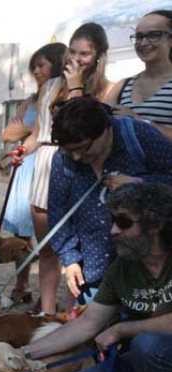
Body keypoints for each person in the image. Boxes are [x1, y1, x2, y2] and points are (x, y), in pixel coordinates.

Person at [23, 182, 172, 372]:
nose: (113, 230)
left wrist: (122, 329)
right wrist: (22, 354)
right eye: (112, 221)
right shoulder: (122, 268)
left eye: (124, 222)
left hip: (157, 354)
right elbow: (86, 324)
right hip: (150, 365)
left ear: (156, 226)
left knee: (147, 344)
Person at [17, 22, 112, 315]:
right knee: (47, 250)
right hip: (46, 166)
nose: (76, 58)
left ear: (97, 56)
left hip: (80, 169)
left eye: (84, 54)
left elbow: (82, 125)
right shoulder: (47, 86)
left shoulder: (107, 89)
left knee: (79, 255)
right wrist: (23, 150)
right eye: (72, 51)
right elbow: (37, 132)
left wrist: (75, 87)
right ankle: (46, 315)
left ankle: (75, 316)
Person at [48, 96, 172, 307]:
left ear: (106, 129)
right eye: (70, 150)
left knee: (145, 338)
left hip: (148, 269)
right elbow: (58, 210)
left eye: (83, 147)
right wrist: (69, 259)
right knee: (91, 331)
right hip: (94, 270)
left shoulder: (140, 136)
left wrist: (139, 183)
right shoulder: (64, 158)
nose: (76, 157)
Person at [1, 42, 67, 305]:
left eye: (41, 65)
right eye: (34, 67)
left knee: (52, 233)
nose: (36, 71)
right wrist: (28, 133)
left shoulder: (63, 95)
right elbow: (8, 134)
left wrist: (26, 132)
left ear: (56, 63)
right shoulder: (31, 99)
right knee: (22, 231)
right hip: (27, 163)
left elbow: (35, 132)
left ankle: (46, 297)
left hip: (47, 162)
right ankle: (22, 284)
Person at [105, 10, 172, 141]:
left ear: (170, 40)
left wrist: (139, 121)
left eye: (154, 35)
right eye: (139, 36)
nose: (143, 43)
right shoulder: (122, 86)